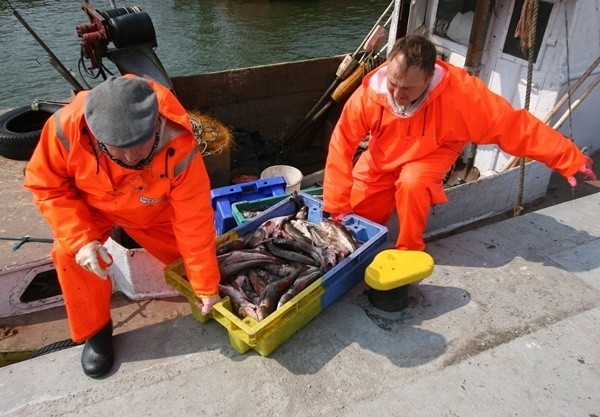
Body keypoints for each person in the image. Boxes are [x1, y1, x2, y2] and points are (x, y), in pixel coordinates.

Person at [24, 74, 222, 378]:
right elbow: (46, 186)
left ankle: (208, 299)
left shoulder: (180, 144)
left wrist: (206, 284)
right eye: (117, 149)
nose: (131, 158)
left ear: (156, 124)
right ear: (94, 134)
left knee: (196, 264)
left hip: (154, 212)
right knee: (67, 255)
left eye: (141, 148)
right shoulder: (63, 129)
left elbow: (193, 221)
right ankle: (97, 333)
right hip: (92, 207)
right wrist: (81, 240)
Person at [323, 35, 596, 251]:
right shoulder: (371, 94)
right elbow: (342, 143)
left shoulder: (463, 95)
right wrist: (337, 205)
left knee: (412, 183)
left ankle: (409, 249)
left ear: (429, 78)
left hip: (435, 148)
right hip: (384, 150)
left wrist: (567, 157)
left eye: (408, 88)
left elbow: (513, 125)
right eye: (394, 84)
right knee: (355, 208)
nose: (397, 93)